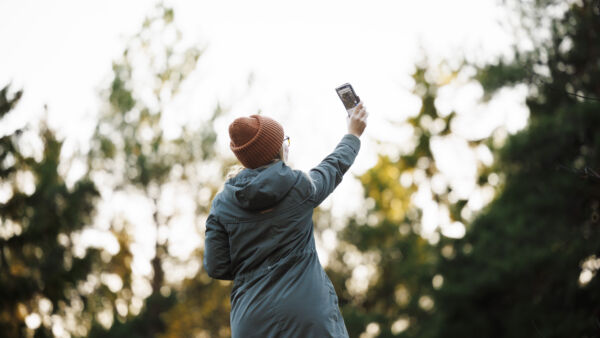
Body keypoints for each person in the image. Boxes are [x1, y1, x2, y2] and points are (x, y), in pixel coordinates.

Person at [203, 101, 368, 337]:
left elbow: (216, 266)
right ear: (278, 150)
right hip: (307, 315)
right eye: (284, 142)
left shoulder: (221, 205)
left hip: (251, 321)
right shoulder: (298, 187)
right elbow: (332, 168)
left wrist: (252, 264)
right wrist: (353, 134)